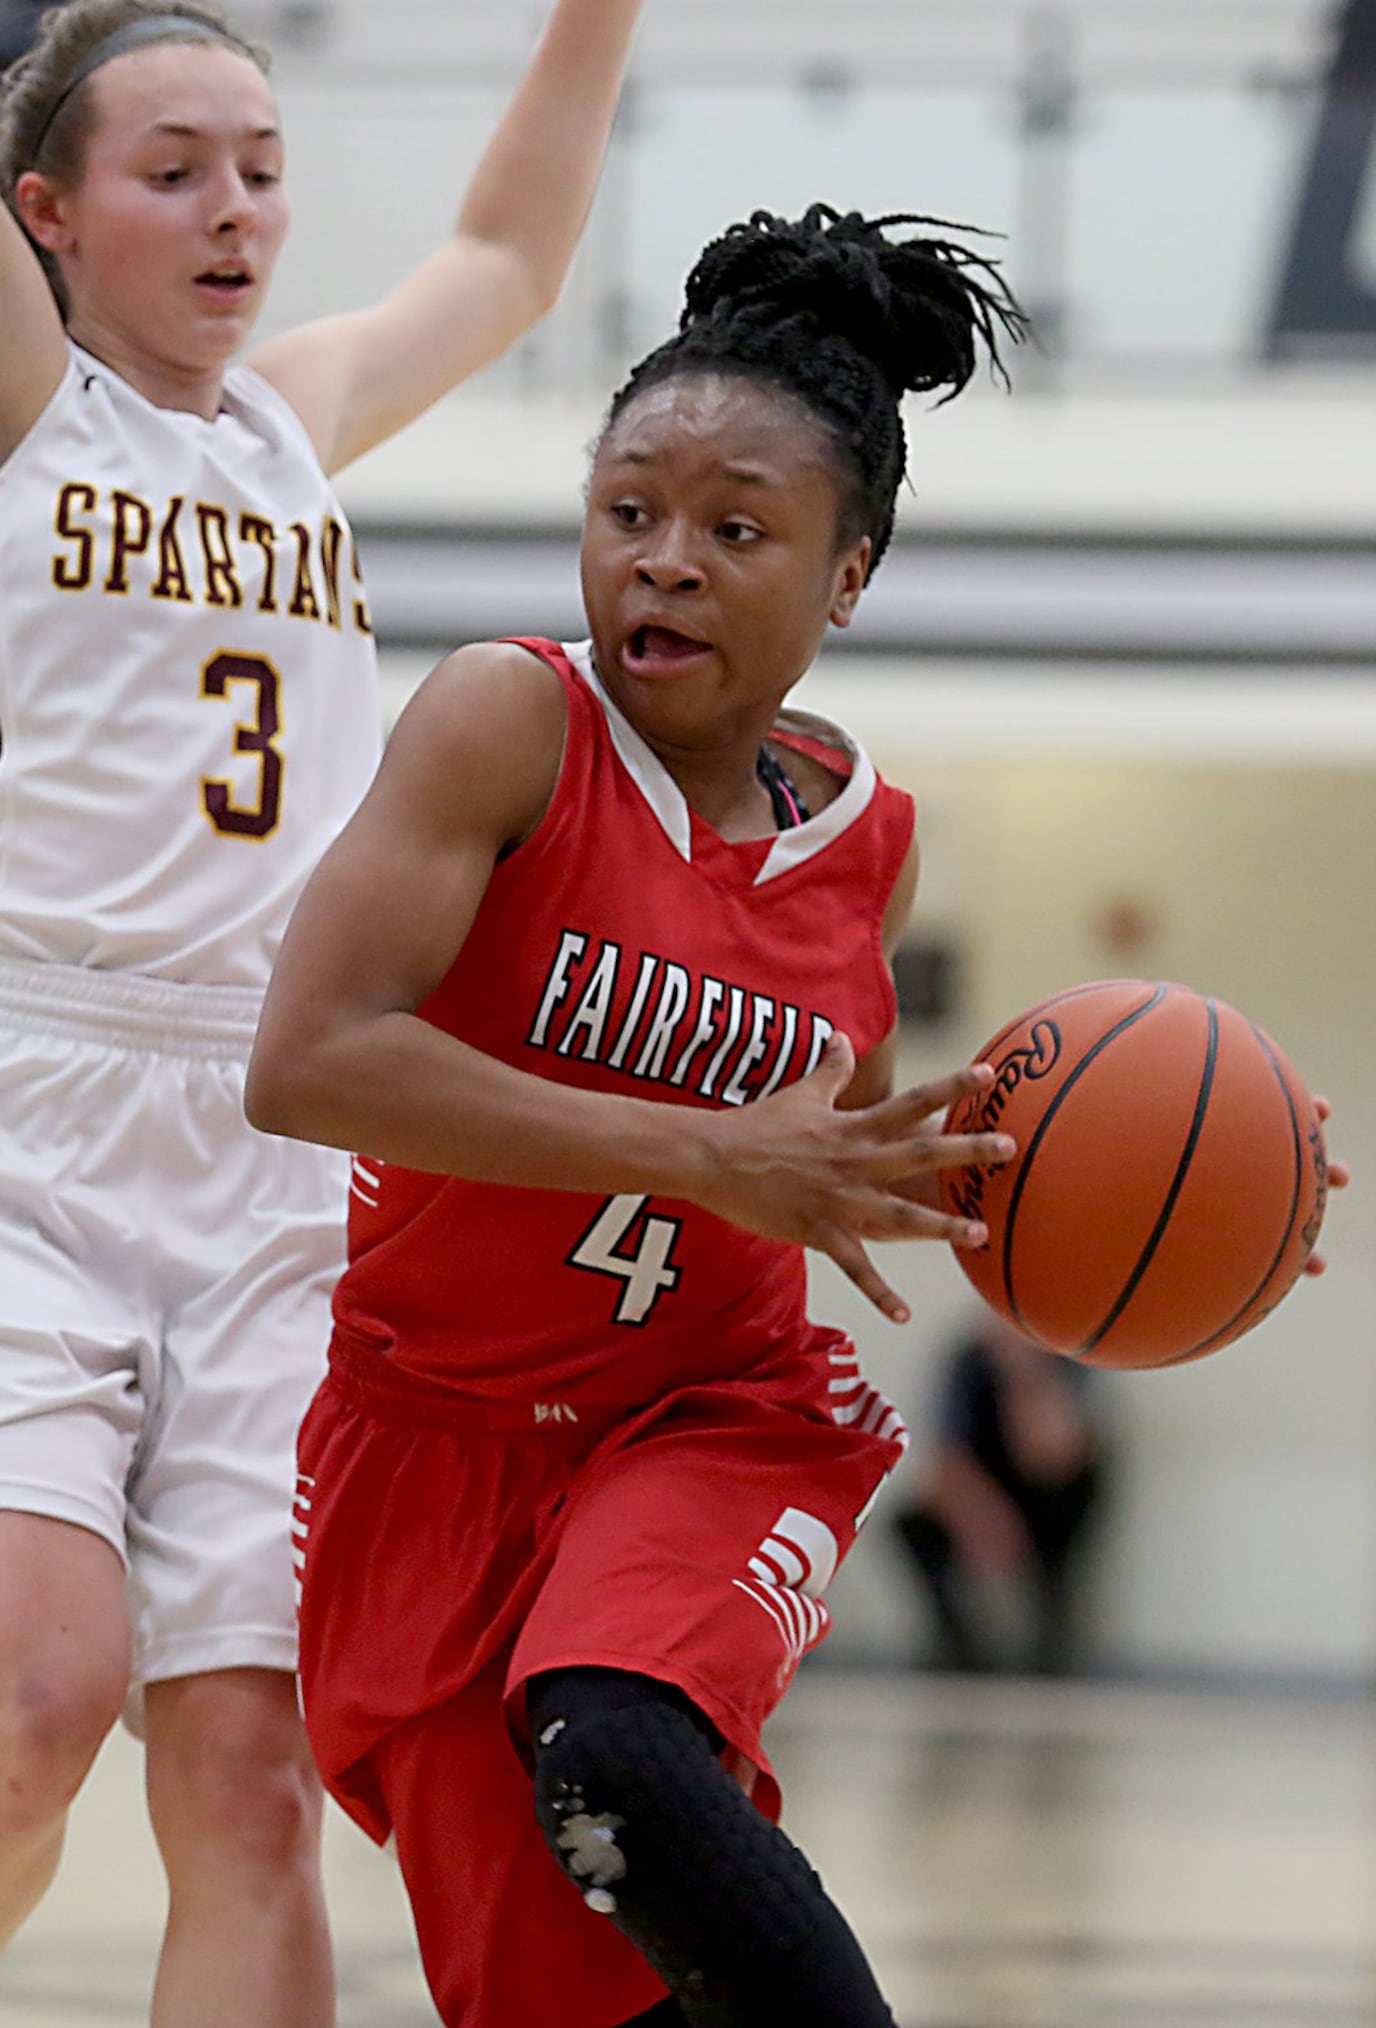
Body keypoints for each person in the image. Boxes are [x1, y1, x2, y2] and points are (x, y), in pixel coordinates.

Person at [0, 3, 646, 2025]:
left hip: (272, 1146)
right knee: (37, 1712)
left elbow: (505, 262)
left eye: (261, 163)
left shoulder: (289, 416)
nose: (236, 208)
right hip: (5, 1128)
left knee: (254, 1778)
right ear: (45, 218)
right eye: (173, 171)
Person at [245, 206, 1029, 2028]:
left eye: (736, 530)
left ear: (849, 574)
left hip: (709, 1411)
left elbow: (855, 1146)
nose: (664, 565)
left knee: (615, 1745)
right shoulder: (507, 720)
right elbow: (306, 1057)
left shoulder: (870, 838)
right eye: (629, 516)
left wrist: (1147, 1159)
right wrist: (702, 1150)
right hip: (424, 1445)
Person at [891, 1312, 1111, 1676]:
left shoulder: (1077, 1359)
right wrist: (984, 1519)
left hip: (1050, 1495)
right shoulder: (968, 1363)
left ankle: (1052, 1646)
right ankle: (960, 1647)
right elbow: (946, 1461)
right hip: (985, 1492)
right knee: (911, 1524)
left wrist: (1025, 1375)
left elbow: (1051, 1458)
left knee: (1068, 1507)